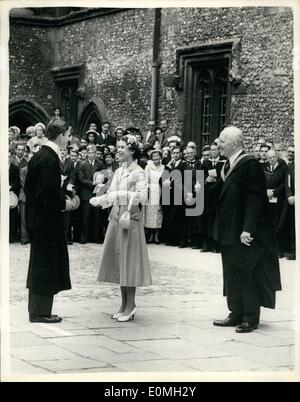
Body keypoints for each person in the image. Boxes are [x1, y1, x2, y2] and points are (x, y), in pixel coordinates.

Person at [211, 126, 281, 333]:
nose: (218, 144)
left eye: (222, 141)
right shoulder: (228, 165)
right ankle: (235, 312)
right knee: (231, 272)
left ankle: (250, 317)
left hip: (242, 232)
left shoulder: (249, 164)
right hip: (229, 230)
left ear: (234, 143)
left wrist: (248, 229)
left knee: (246, 272)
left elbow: (255, 198)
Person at [90, 136, 152, 322]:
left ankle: (131, 305)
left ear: (132, 151)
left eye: (122, 147)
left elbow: (143, 196)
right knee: (119, 262)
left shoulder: (139, 172)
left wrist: (120, 194)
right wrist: (100, 200)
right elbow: (110, 194)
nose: (118, 150)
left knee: (129, 263)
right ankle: (123, 304)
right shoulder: (118, 171)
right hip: (116, 219)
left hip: (129, 220)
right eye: (117, 147)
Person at [25, 119, 73, 323]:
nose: (70, 139)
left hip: (40, 220)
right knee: (44, 264)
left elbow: (32, 189)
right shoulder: (49, 158)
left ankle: (38, 310)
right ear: (61, 135)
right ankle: (40, 312)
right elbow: (47, 193)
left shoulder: (41, 156)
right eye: (68, 135)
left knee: (41, 264)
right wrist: (65, 203)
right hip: (46, 222)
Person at [78, 145, 106, 243]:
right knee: (85, 216)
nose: (91, 155)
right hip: (86, 193)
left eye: (93, 153)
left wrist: (101, 181)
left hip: (97, 193)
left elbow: (105, 176)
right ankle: (84, 237)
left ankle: (96, 237)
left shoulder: (100, 164)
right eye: (89, 153)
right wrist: (92, 183)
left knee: (96, 216)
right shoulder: (82, 164)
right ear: (87, 153)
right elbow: (81, 179)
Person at [263, 149, 287, 257]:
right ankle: (269, 249)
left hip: (278, 199)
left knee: (278, 223)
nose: (272, 159)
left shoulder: (282, 168)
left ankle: (279, 250)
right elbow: (261, 181)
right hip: (267, 199)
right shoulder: (264, 168)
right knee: (268, 223)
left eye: (273, 157)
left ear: (276, 157)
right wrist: (266, 191)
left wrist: (275, 192)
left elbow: (284, 183)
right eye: (269, 158)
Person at [144, 150, 164, 244]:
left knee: (159, 213)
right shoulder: (148, 167)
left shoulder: (164, 167)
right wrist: (147, 188)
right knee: (149, 213)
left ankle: (156, 236)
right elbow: (145, 179)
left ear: (161, 157)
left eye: (157, 156)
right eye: (154, 156)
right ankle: (150, 235)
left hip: (160, 191)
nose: (156, 158)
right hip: (151, 191)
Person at [9, 151, 21, 243]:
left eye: (9, 156)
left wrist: (11, 187)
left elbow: (18, 182)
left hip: (12, 194)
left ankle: (13, 236)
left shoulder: (15, 168)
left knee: (13, 215)